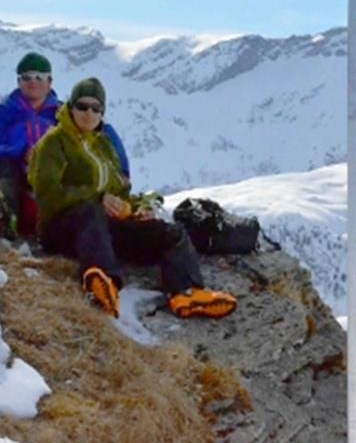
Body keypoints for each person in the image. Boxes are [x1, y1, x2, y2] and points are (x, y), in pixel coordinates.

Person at [28, 77, 236, 319]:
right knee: (90, 211)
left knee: (171, 232)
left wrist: (137, 207)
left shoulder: (103, 145)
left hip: (101, 231)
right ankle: (102, 282)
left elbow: (118, 190)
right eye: (82, 106)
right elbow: (46, 195)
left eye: (96, 108)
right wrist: (97, 198)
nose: (88, 113)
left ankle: (186, 292)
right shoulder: (53, 143)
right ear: (70, 107)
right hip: (61, 229)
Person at [0, 52, 130, 239]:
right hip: (16, 173)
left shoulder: (65, 113)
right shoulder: (2, 113)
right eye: (27, 77)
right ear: (19, 81)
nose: (33, 82)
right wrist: (18, 151)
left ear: (50, 82)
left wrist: (122, 173)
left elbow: (99, 133)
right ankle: (4, 215)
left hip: (55, 175)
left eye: (40, 77)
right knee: (6, 170)